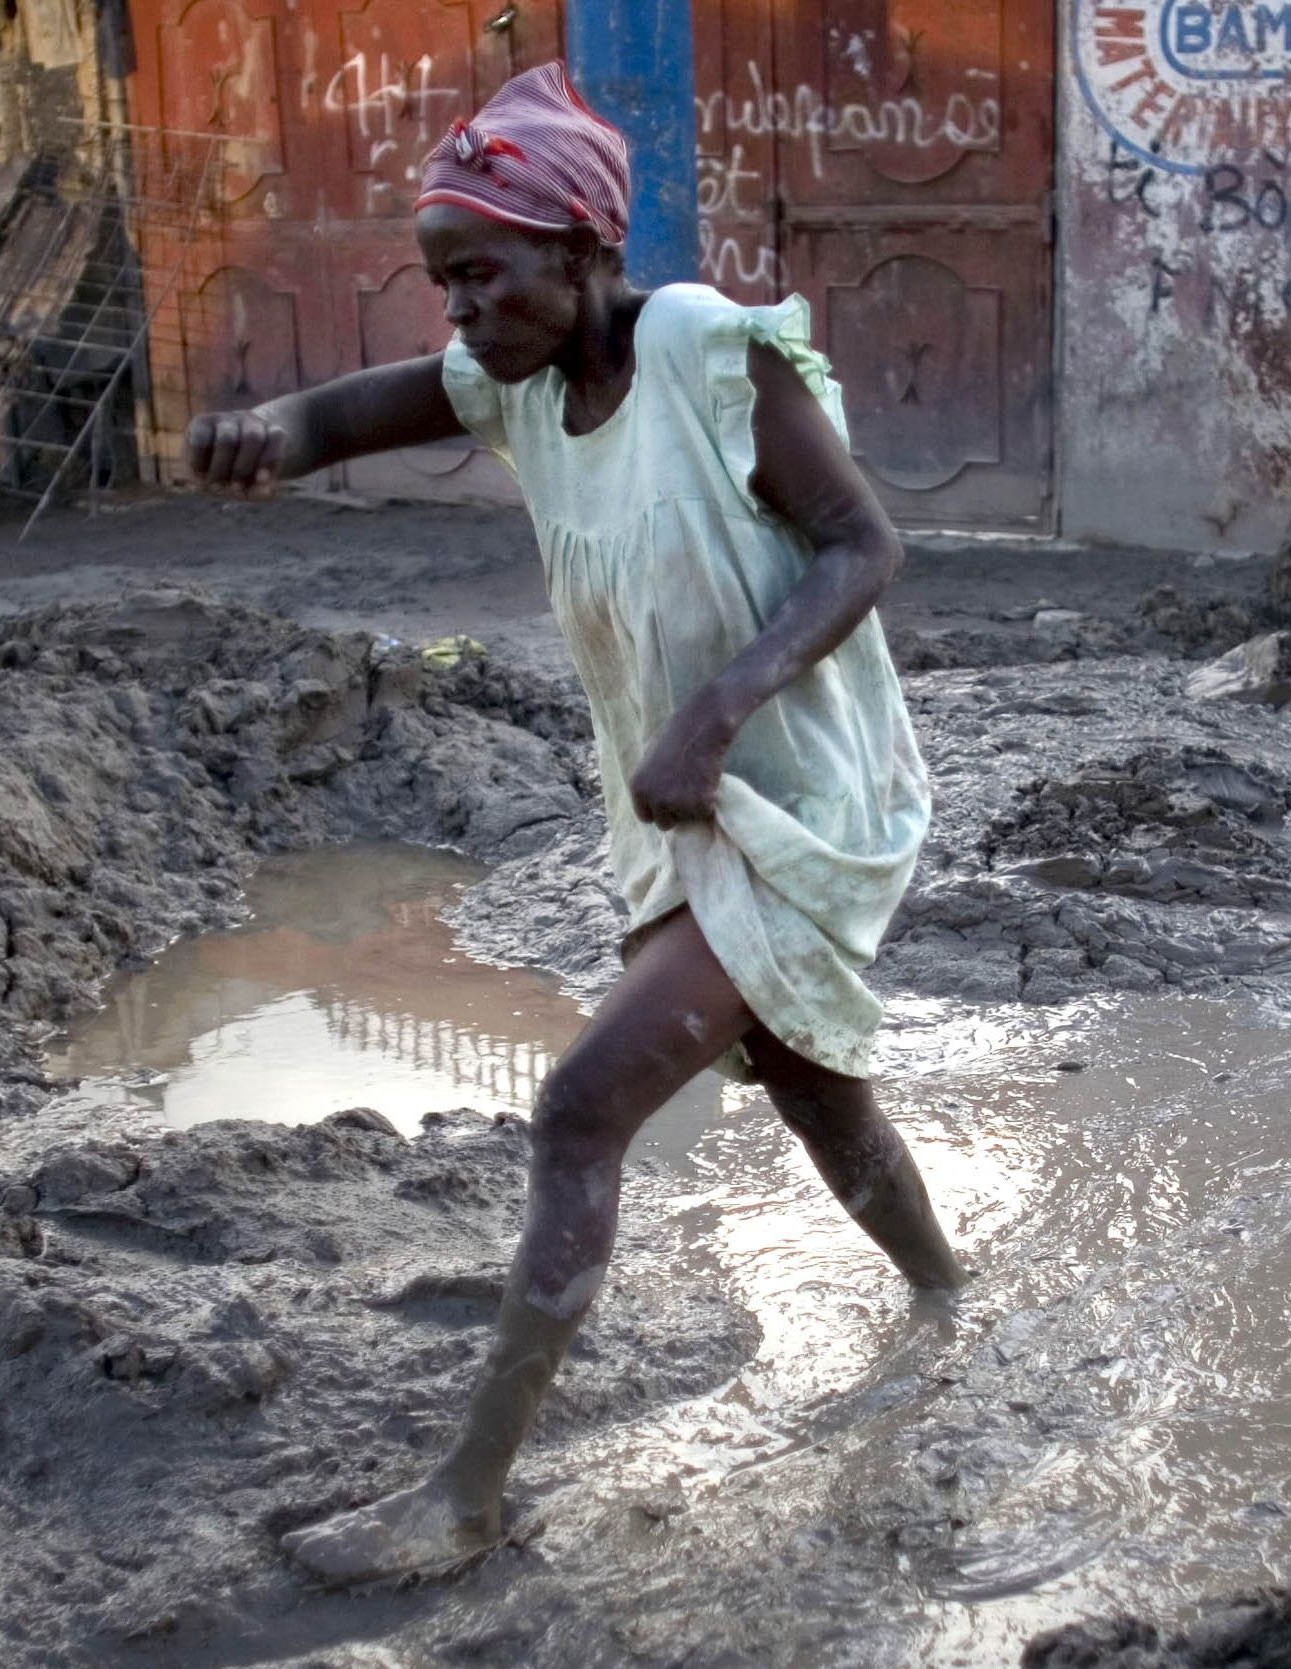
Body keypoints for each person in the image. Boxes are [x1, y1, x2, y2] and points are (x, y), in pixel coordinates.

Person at [184, 61, 967, 1586]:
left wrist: (718, 706)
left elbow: (865, 540)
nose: (460, 311)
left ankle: (459, 1497)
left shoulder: (693, 348)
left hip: (793, 791)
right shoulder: (514, 389)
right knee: (815, 1085)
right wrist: (265, 434)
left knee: (580, 1106)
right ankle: (946, 1293)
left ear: (581, 250)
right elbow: (351, 412)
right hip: (682, 802)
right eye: (442, 283)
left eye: (482, 273)